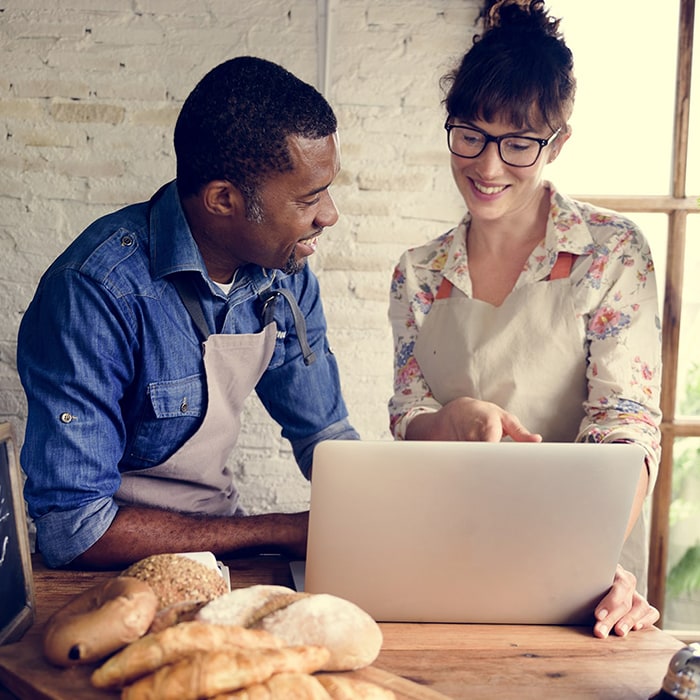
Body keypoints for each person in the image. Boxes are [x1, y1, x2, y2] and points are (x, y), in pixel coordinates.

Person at [17, 56, 358, 570]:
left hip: (219, 548)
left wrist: (378, 513)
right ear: (223, 199)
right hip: (111, 569)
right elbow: (75, 529)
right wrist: (284, 531)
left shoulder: (283, 271)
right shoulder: (95, 292)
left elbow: (324, 437)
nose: (329, 215)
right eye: (309, 197)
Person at [388, 0, 662, 638]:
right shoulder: (418, 272)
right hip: (450, 547)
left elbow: (626, 424)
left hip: (584, 570)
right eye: (471, 135)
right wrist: (446, 422)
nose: (486, 167)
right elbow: (408, 412)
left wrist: (582, 558)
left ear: (557, 141)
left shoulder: (612, 251)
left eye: (517, 144)